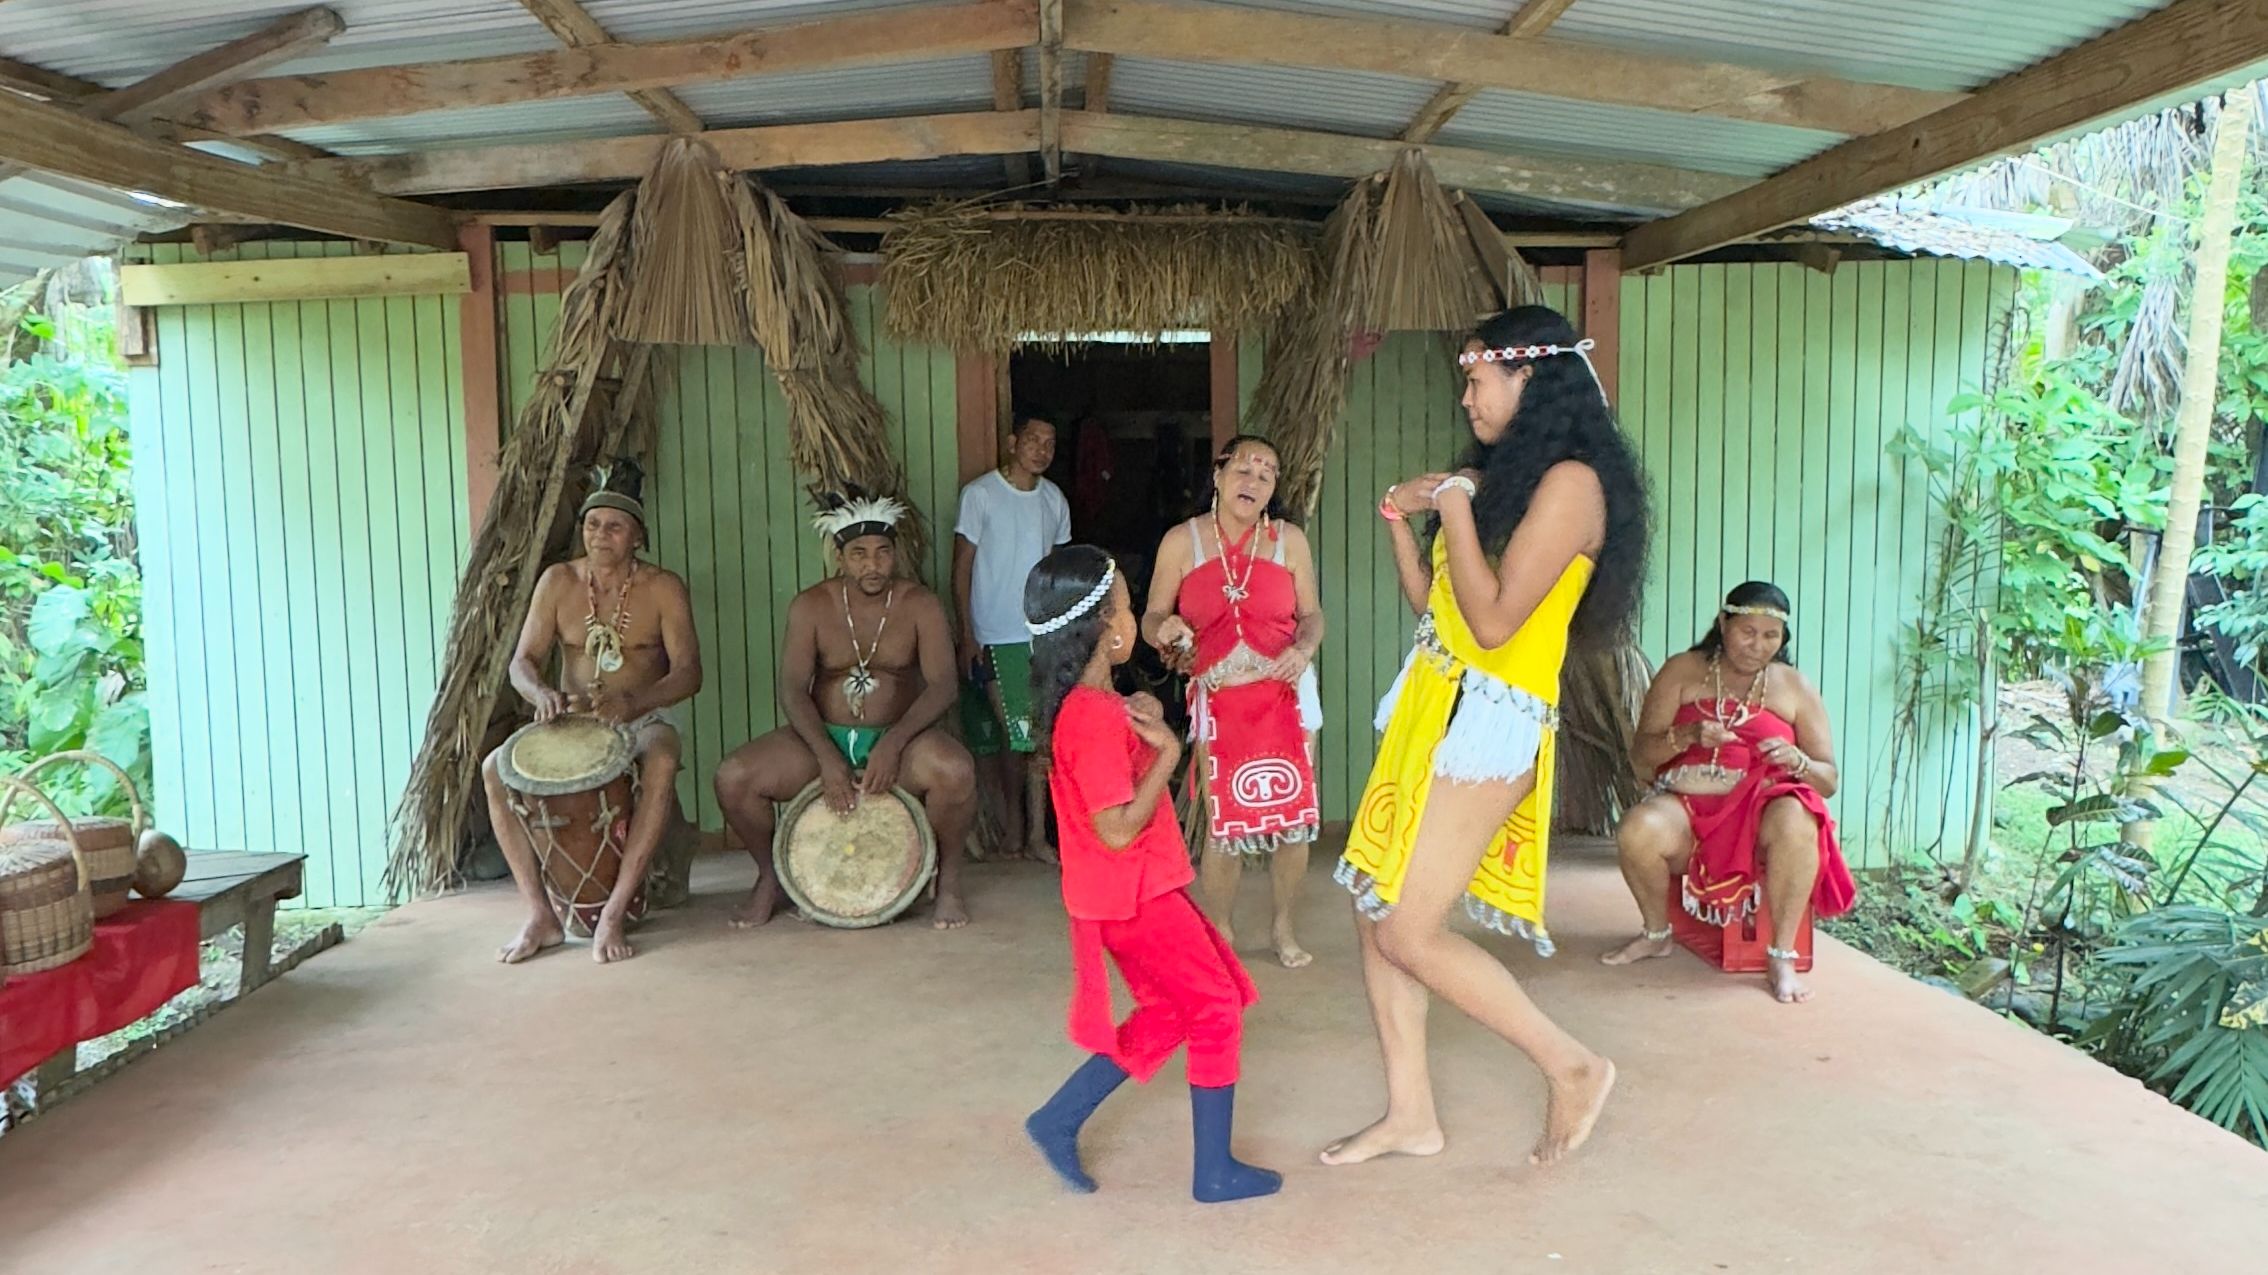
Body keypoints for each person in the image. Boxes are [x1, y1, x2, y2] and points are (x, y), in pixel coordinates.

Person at [1325, 305, 1649, 1169]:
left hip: (1489, 721)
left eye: (1477, 378)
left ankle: (1571, 1063)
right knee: (1373, 907)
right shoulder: (1511, 476)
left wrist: (1457, 501)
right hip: (1436, 700)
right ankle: (1411, 1114)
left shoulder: (1573, 483)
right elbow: (1443, 613)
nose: (1466, 395)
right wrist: (1406, 524)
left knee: (1408, 929)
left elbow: (1499, 625)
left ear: (1529, 377)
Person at [1020, 545, 1281, 1204]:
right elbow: (1115, 827)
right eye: (1128, 606)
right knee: (1217, 1007)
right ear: (1108, 629)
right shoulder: (1093, 717)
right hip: (1134, 896)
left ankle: (1057, 1118)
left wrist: (1146, 729)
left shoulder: (1087, 708)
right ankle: (1214, 1171)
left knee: (1171, 1010)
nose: (1134, 617)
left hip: (1129, 893)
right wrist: (1166, 752)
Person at [713, 491, 976, 930]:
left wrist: (893, 744)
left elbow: (943, 685)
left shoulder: (919, 604)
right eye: (859, 555)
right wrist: (826, 756)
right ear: (840, 558)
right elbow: (794, 689)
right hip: (821, 737)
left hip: (899, 738)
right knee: (734, 778)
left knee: (956, 771)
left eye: (882, 554)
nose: (872, 565)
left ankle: (946, 881)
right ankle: (770, 877)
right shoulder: (812, 605)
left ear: (895, 555)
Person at [488, 459, 702, 965]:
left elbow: (689, 674)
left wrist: (634, 702)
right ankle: (540, 915)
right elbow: (522, 662)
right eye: (591, 524)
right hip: (570, 719)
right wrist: (541, 694)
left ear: (637, 537)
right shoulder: (558, 582)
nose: (600, 535)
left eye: (614, 526)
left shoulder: (662, 588)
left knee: (662, 757)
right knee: (493, 769)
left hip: (641, 717)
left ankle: (614, 911)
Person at [1602, 581, 1856, 1003]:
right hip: (1689, 808)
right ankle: (1656, 933)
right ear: (1723, 623)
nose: (1757, 645)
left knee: (1799, 815)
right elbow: (1641, 756)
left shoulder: (1795, 687)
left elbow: (1827, 779)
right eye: (1747, 631)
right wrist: (1686, 735)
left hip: (1763, 813)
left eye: (1770, 636)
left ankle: (1781, 957)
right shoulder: (1683, 670)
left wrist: (1797, 761)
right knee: (1637, 829)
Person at [1141, 435, 1324, 969]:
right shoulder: (1182, 541)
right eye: (1244, 469)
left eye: (1267, 474)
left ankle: (1283, 925)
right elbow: (1152, 616)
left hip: (1285, 692)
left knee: (1293, 817)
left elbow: (1312, 615)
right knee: (1225, 821)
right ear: (1218, 476)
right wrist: (1165, 628)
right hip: (1218, 696)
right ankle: (1220, 929)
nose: (1254, 481)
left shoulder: (1289, 541)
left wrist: (1305, 648)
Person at [954, 414, 1071, 861]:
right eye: (1033, 440)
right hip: (992, 633)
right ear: (1011, 442)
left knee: (1028, 737)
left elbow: (1056, 572)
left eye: (1050, 442)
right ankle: (1021, 834)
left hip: (1036, 634)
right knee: (1012, 737)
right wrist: (967, 633)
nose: (1042, 449)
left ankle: (1026, 836)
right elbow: (962, 566)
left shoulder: (1054, 500)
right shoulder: (981, 495)